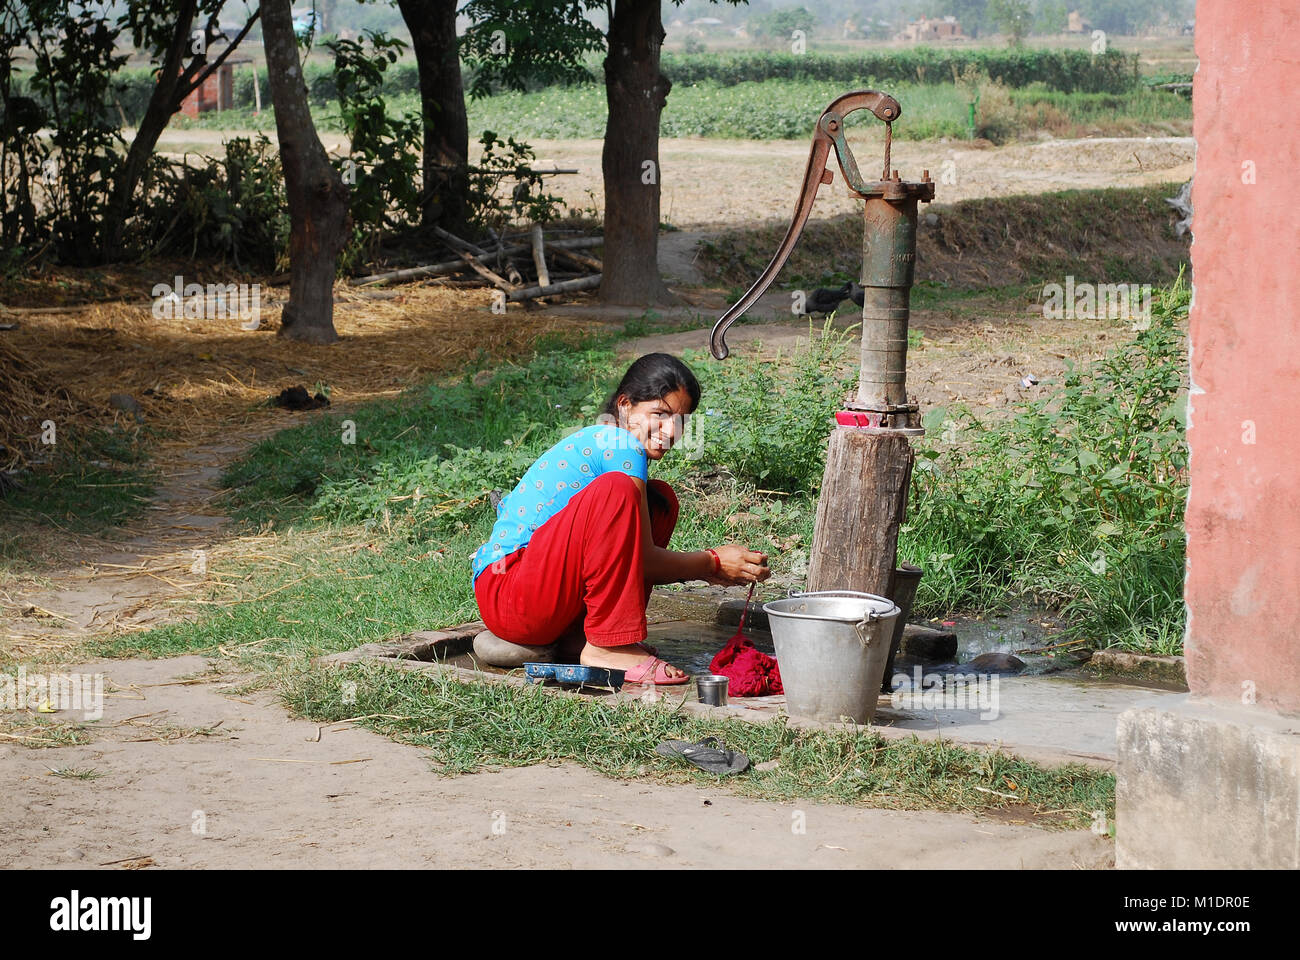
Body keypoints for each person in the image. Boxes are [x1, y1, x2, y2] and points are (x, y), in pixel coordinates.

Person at [471, 352, 772, 683]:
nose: (671, 430)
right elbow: (642, 560)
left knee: (660, 501)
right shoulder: (619, 444)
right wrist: (712, 563)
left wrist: (710, 567)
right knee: (617, 491)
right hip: (509, 593)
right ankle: (607, 646)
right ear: (625, 405)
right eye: (660, 413)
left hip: (533, 595)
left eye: (682, 420)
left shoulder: (618, 448)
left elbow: (629, 556)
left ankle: (583, 637)